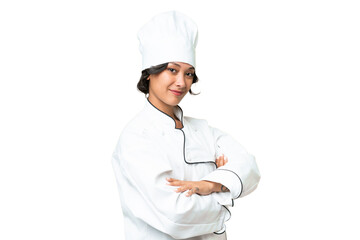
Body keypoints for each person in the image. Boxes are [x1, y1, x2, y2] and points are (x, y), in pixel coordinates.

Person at [112, 11, 261, 240]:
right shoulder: (136, 137)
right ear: (149, 73)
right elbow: (176, 215)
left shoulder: (203, 131)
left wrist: (208, 185)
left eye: (189, 73)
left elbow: (250, 167)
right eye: (172, 70)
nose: (182, 82)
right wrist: (224, 188)